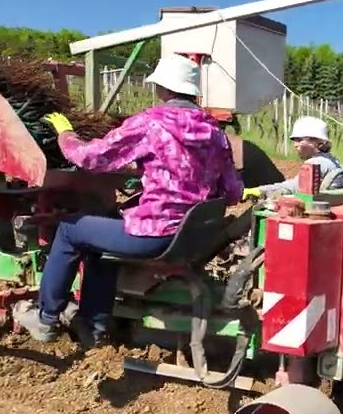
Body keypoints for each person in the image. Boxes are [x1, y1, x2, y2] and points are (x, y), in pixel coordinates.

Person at [13, 54, 245, 347]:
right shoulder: (214, 133)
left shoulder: (151, 123)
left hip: (155, 234)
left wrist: (66, 134)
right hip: (191, 236)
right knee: (103, 233)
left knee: (70, 230)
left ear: (163, 88)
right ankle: (92, 325)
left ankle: (46, 319)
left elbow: (90, 158)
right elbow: (234, 191)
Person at [254, 115, 343, 196]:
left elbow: (295, 187)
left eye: (300, 140)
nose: (295, 145)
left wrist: (260, 190)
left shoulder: (315, 163)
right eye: (295, 140)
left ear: (317, 142)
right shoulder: (332, 160)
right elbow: (296, 183)